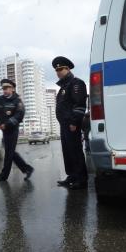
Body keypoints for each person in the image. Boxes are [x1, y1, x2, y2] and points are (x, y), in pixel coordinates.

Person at [52, 56, 88, 189]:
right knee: (67, 151)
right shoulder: (63, 87)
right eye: (56, 70)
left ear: (67, 69)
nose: (58, 72)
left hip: (72, 124)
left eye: (60, 69)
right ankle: (72, 175)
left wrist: (74, 122)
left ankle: (81, 179)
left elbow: (79, 105)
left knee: (75, 150)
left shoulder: (76, 83)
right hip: (64, 124)